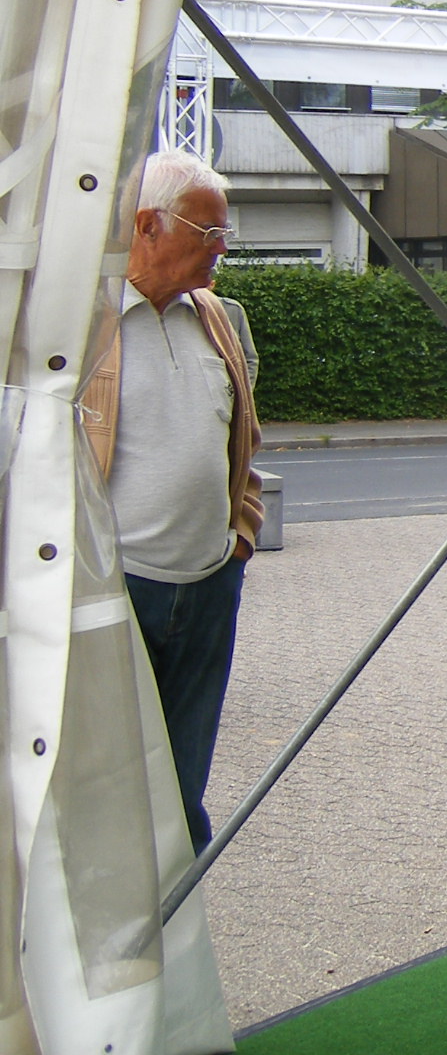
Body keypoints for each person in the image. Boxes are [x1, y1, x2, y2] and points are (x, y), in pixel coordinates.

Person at [83, 151, 263, 853]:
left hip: (209, 587)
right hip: (116, 592)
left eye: (223, 232)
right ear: (147, 225)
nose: (222, 248)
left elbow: (243, 433)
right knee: (111, 782)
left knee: (183, 789)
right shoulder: (85, 324)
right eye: (208, 231)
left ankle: (177, 904)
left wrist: (240, 534)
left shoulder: (216, 316)